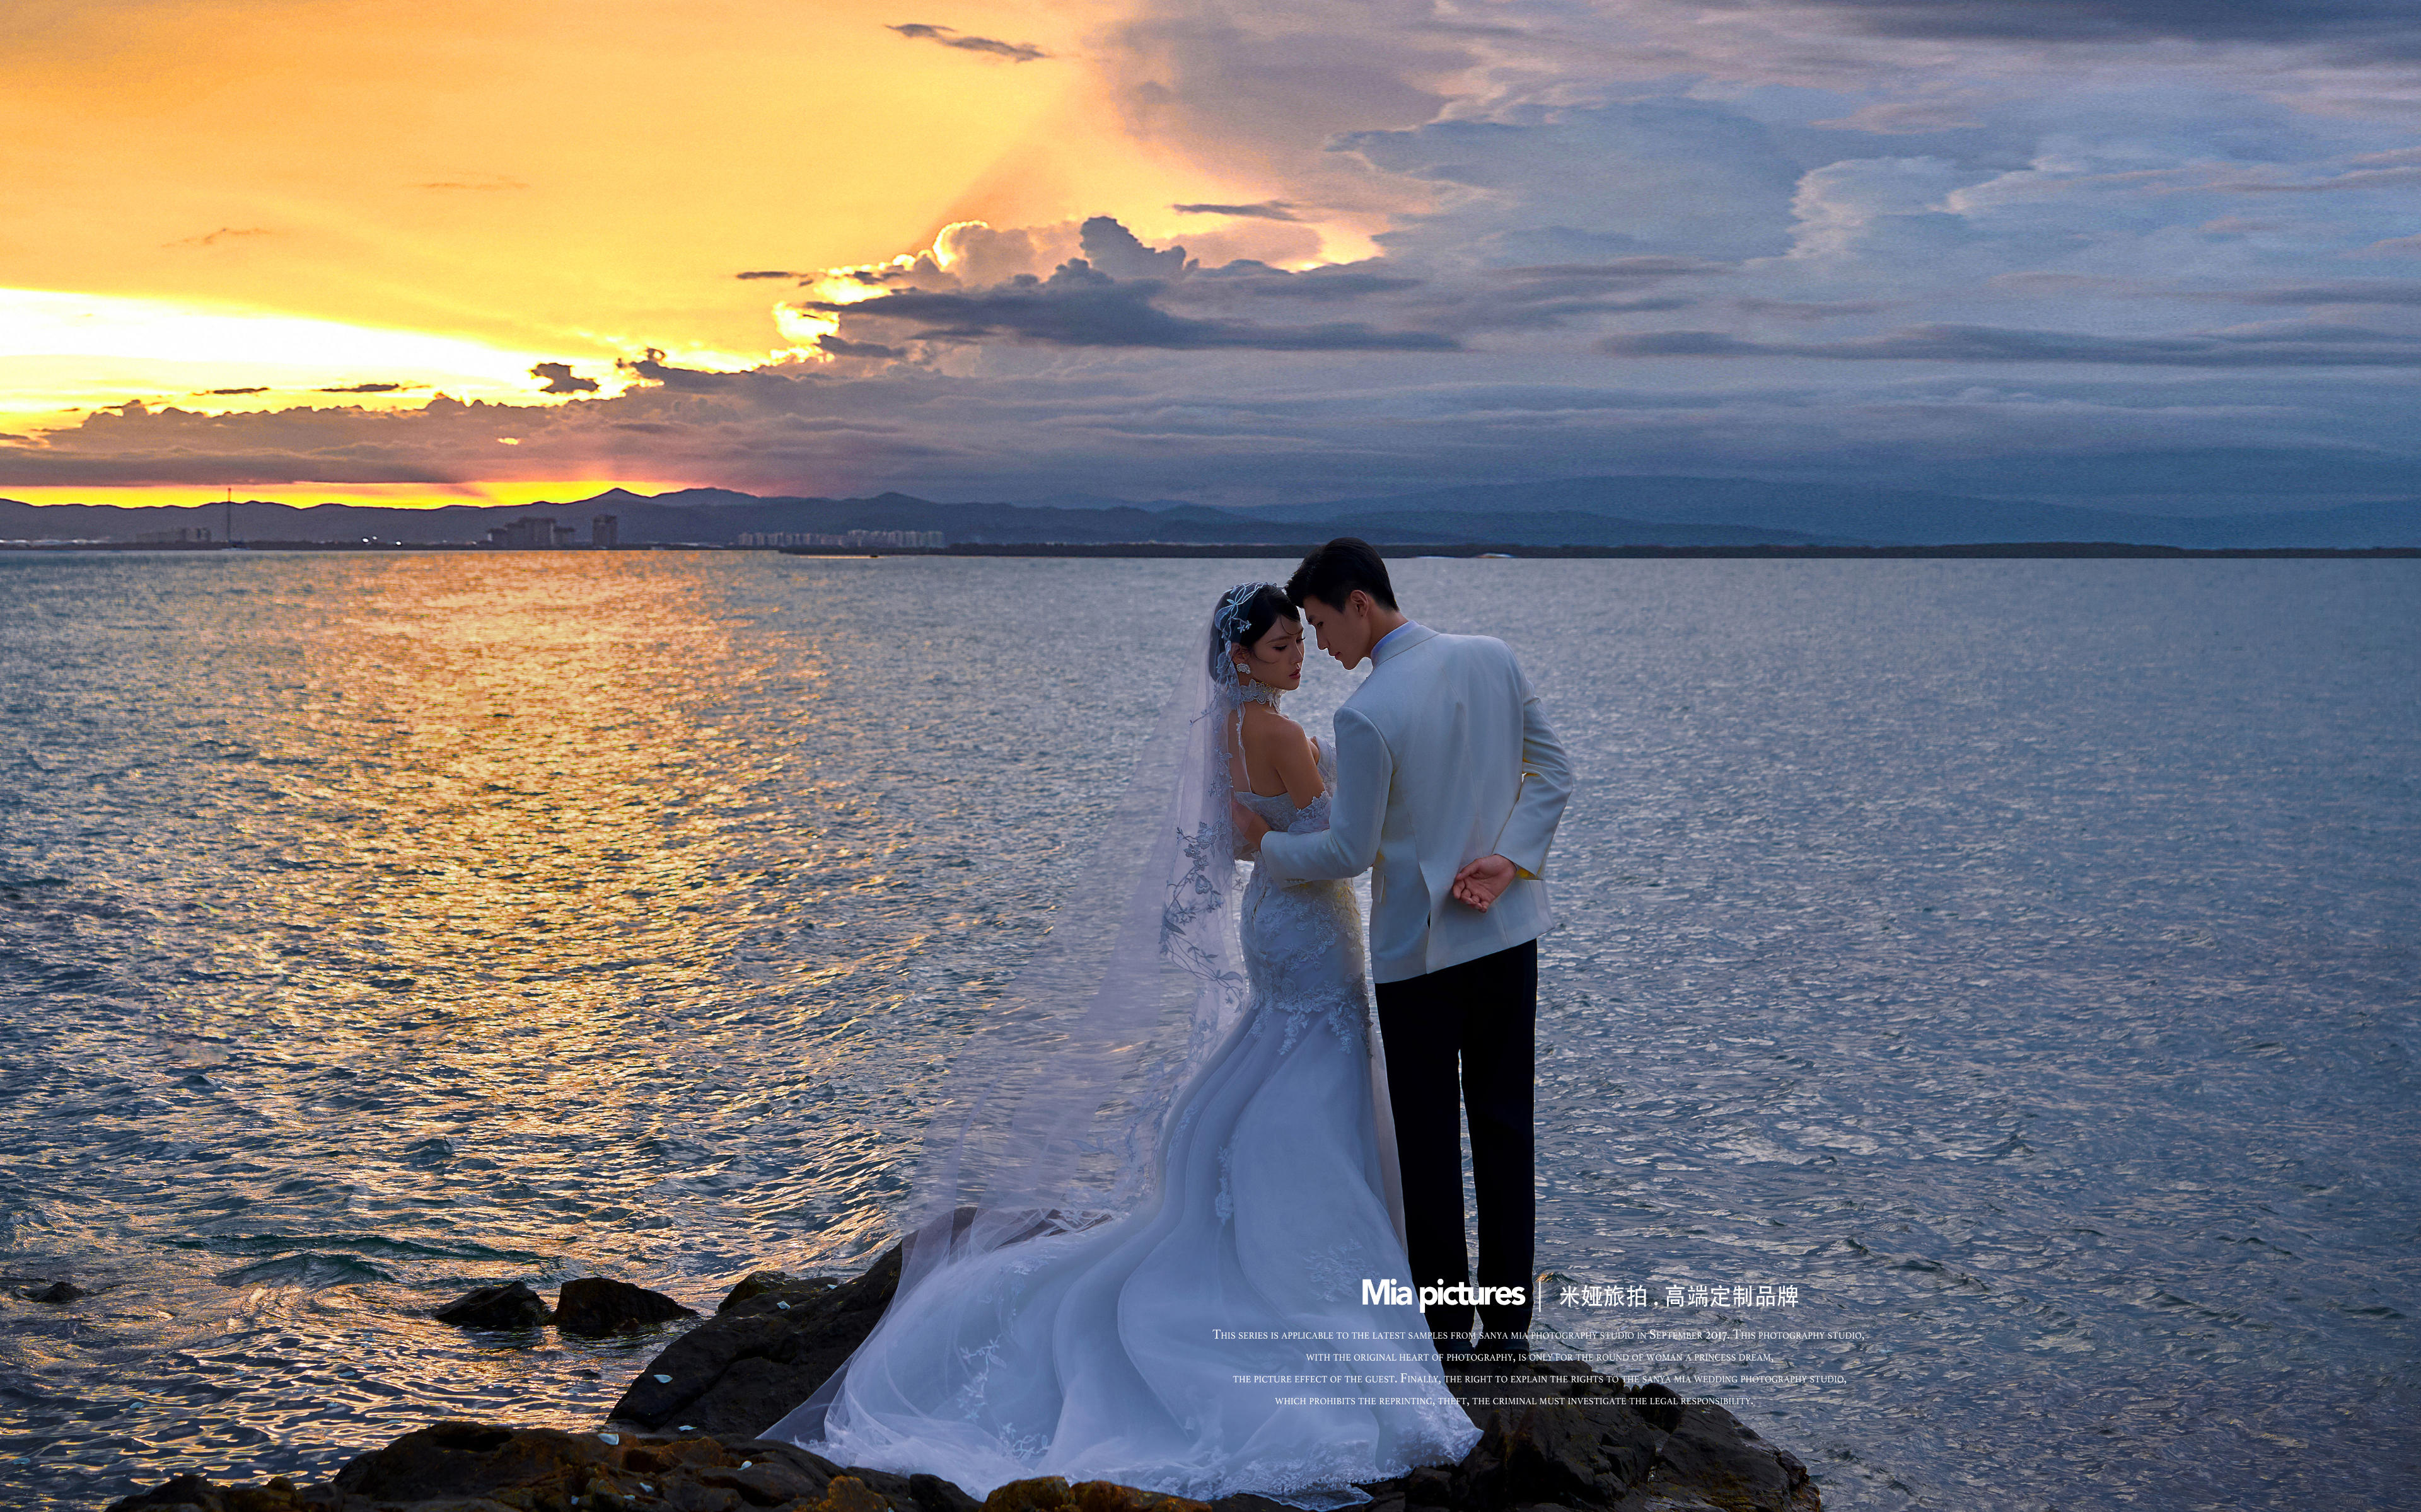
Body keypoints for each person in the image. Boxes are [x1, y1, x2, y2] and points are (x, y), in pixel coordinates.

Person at [758, 582, 1481, 1509]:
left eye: (1303, 642)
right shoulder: (1283, 736)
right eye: (1282, 647)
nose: (1298, 658)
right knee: (1320, 1073)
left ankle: (1265, 1221)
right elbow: (1335, 842)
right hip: (1310, 925)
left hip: (1273, 921)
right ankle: (1308, 1270)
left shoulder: (1220, 734)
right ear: (1242, 657)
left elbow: (1242, 837)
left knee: (1278, 1059)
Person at [1233, 540, 1572, 1359]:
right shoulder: (1493, 659)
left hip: (1419, 959)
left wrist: (1267, 850)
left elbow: (1348, 852)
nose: (1320, 646)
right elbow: (1554, 772)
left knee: (1428, 1151)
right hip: (1506, 935)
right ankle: (1509, 1339)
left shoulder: (1368, 712)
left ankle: (1448, 1338)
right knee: (1505, 1131)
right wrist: (1510, 858)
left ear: (1359, 602)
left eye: (1319, 624)